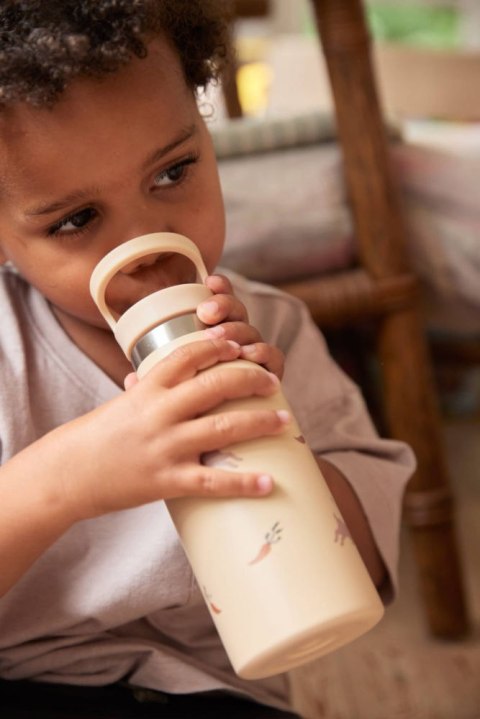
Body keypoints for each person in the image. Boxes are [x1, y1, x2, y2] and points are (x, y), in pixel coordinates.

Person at [0, 1, 414, 717]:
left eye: (173, 172)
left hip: (203, 686)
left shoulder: (274, 329)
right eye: (76, 219)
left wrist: (270, 426)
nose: (151, 239)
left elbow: (367, 560)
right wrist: (64, 478)